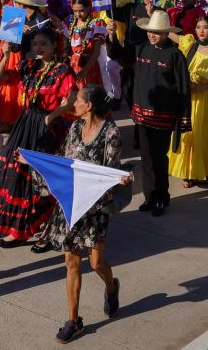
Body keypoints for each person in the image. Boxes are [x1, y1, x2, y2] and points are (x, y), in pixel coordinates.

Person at [33, 83, 129, 343]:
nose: (73, 104)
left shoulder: (111, 132)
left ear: (89, 105)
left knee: (97, 263)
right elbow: (66, 163)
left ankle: (111, 287)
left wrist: (119, 181)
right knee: (71, 262)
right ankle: (73, 321)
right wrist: (37, 163)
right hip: (71, 205)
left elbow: (110, 170)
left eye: (77, 101)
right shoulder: (74, 128)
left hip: (95, 207)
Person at [0, 27, 75, 248]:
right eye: (35, 44)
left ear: (54, 46)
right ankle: (19, 230)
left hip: (47, 128)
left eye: (43, 44)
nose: (39, 48)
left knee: (41, 180)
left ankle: (47, 230)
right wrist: (5, 55)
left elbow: (69, 101)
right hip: (25, 125)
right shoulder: (29, 66)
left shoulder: (63, 70)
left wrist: (49, 118)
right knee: (17, 176)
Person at [129, 9, 190, 217]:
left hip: (163, 117)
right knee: (146, 158)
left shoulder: (175, 55)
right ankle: (149, 196)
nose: (152, 34)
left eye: (157, 32)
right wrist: (111, 35)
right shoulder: (142, 49)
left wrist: (183, 118)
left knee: (159, 158)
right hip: (142, 115)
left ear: (166, 33)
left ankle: (162, 198)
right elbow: (119, 54)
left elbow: (183, 88)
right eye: (150, 31)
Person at [168, 16, 208, 187]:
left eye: (205, 27)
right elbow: (169, 34)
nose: (201, 30)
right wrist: (155, 20)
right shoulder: (189, 45)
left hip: (206, 101)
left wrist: (206, 86)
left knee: (203, 136)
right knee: (187, 135)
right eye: (198, 27)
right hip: (187, 99)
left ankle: (203, 170)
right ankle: (188, 173)